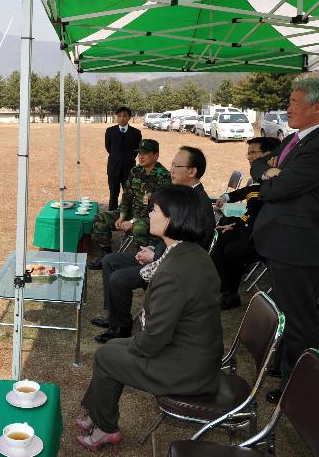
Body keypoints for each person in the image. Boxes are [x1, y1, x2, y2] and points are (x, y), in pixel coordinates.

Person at [76, 185, 223, 452]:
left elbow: (153, 339)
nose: (150, 215)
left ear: (171, 219)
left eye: (155, 210)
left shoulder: (175, 270)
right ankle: (97, 417)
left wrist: (134, 346)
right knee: (111, 350)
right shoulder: (189, 252)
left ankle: (105, 428)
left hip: (186, 368)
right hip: (195, 356)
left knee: (108, 356)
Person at [250, 78, 319, 403]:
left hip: (298, 245)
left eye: (294, 101)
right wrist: (269, 171)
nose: (288, 108)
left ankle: (299, 388)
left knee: (300, 320)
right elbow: (259, 164)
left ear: (317, 107)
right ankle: (283, 364)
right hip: (282, 241)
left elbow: (278, 189)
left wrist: (273, 177)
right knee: (286, 312)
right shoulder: (296, 139)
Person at [91, 146, 215, 343]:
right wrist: (153, 248)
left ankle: (121, 329)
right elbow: (171, 234)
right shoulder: (184, 195)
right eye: (172, 164)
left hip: (171, 269)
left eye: (177, 165)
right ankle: (115, 318)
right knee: (110, 261)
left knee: (118, 278)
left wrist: (156, 256)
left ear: (192, 171)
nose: (171, 169)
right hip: (161, 255)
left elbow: (188, 250)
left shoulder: (197, 204)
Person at [213, 136, 279, 310]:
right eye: (247, 154)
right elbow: (250, 193)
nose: (249, 157)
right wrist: (229, 203)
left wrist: (236, 219)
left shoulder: (278, 180)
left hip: (267, 238)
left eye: (253, 153)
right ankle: (222, 289)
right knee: (220, 237)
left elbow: (258, 211)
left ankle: (231, 294)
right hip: (252, 229)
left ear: (269, 155)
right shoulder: (262, 177)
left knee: (232, 250)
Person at [90, 139, 170, 268]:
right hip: (132, 213)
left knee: (139, 227)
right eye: (139, 153)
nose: (141, 156)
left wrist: (132, 222)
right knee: (100, 219)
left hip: (151, 218)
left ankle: (135, 262)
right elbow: (127, 196)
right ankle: (106, 256)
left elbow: (156, 208)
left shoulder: (163, 176)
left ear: (156, 155)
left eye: (145, 153)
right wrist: (121, 215)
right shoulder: (135, 171)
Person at [104, 106, 142, 211]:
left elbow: (136, 150)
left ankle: (127, 217)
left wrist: (127, 158)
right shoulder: (110, 131)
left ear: (129, 117)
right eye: (119, 116)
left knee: (129, 195)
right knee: (113, 195)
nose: (121, 118)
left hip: (129, 169)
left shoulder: (136, 133)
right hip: (113, 168)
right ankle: (111, 216)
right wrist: (118, 157)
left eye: (124, 116)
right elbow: (108, 147)